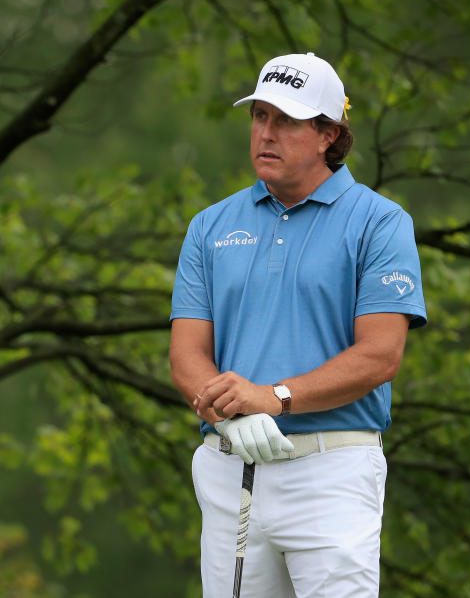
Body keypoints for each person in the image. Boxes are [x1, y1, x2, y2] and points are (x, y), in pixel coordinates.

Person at [169, 52, 427, 598]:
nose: (266, 133)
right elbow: (187, 355)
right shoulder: (211, 225)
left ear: (328, 134)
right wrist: (224, 411)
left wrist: (274, 397)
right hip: (231, 467)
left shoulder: (380, 222)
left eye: (285, 120)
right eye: (260, 116)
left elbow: (380, 356)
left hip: (332, 471)